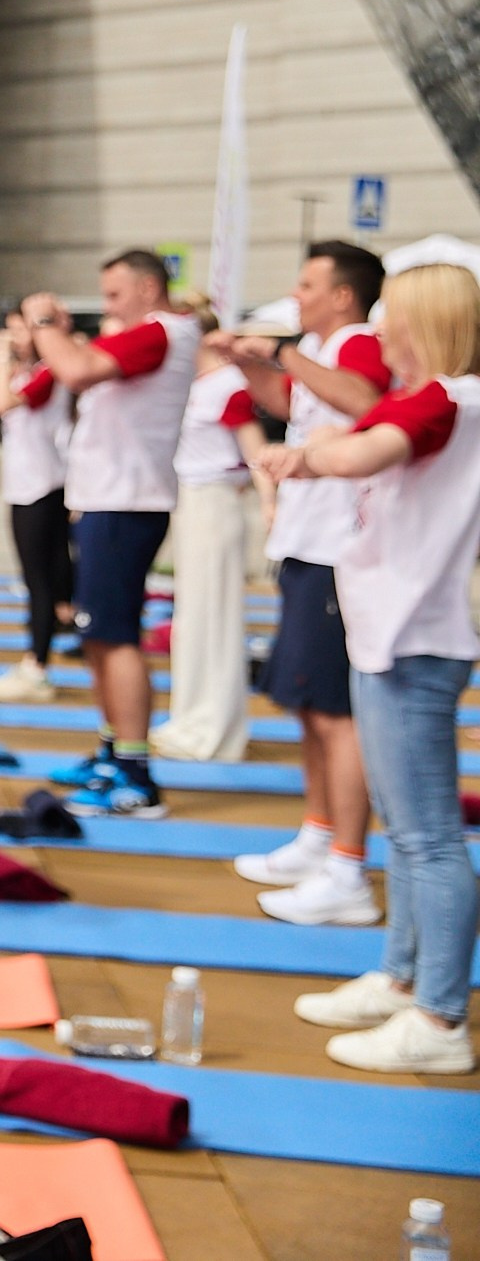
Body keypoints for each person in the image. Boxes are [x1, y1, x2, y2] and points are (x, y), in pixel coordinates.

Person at [265, 263, 480, 1076]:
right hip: (392, 632)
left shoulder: (448, 398)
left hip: (414, 639)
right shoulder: (433, 398)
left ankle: (440, 1014)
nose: (380, 332)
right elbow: (361, 432)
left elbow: (361, 451)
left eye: (394, 318)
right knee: (410, 829)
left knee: (429, 837)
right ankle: (404, 979)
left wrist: (311, 456)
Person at [219, 242, 389, 925]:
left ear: (343, 296)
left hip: (335, 550)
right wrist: (251, 365)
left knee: (335, 713)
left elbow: (364, 400)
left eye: (308, 284)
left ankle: (347, 864)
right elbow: (295, 404)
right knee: (308, 706)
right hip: (306, 544)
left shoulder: (357, 341)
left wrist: (282, 352)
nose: (297, 294)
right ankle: (320, 835)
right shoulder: (325, 351)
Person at [21, 252, 199, 819]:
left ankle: (135, 773)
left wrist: (44, 324)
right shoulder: (150, 334)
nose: (108, 306)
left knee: (116, 637)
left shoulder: (159, 331)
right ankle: (112, 753)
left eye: (116, 295)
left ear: (148, 288)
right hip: (110, 500)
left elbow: (76, 370)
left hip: (126, 502)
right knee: (98, 636)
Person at [154, 300, 272, 762]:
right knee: (193, 618)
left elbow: (255, 451)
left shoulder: (227, 385)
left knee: (216, 617)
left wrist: (270, 502)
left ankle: (217, 729)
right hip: (192, 502)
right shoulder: (194, 384)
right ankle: (189, 717)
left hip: (217, 503)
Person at [0, 316, 70, 702]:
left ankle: (37, 668)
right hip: (25, 486)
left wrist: (2, 358)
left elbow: (1, 403)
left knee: (39, 579)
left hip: (43, 486)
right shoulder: (24, 373)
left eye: (20, 330)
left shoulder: (48, 372)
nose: (12, 338)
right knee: (36, 577)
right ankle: (36, 660)